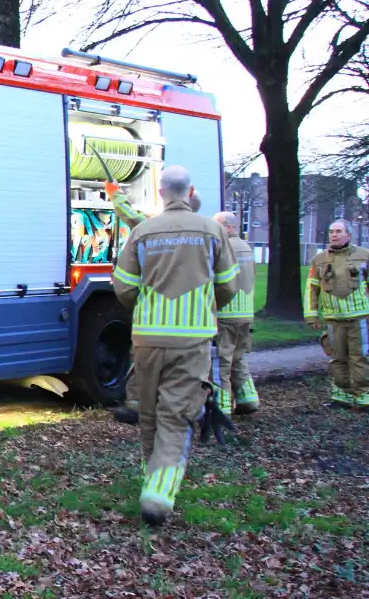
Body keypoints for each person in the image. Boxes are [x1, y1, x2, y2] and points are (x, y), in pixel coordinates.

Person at [112, 165, 239, 526]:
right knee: (176, 417)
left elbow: (123, 287)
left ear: (160, 191)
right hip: (191, 340)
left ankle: (151, 476)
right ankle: (157, 496)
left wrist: (149, 303)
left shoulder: (143, 231)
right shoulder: (213, 231)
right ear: (190, 190)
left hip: (148, 340)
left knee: (149, 414)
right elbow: (228, 285)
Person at [105, 177, 204, 425]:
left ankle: (138, 406)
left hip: (155, 320)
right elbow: (226, 285)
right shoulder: (207, 233)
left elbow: (131, 217)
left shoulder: (157, 229)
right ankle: (189, 412)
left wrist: (115, 194)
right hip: (194, 323)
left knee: (142, 364)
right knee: (188, 372)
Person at [304, 219, 369, 410]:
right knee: (337, 358)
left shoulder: (364, 256)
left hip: (360, 318)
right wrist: (312, 315)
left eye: (338, 231)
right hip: (333, 319)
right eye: (331, 231)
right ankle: (342, 396)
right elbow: (311, 289)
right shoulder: (319, 260)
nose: (334, 235)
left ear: (349, 235)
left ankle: (364, 395)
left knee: (361, 356)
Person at [211, 211, 259, 415]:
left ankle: (221, 406)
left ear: (229, 228)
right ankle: (249, 399)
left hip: (226, 313)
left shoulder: (225, 248)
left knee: (221, 360)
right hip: (245, 313)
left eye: (218, 226)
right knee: (238, 357)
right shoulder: (246, 248)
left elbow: (218, 280)